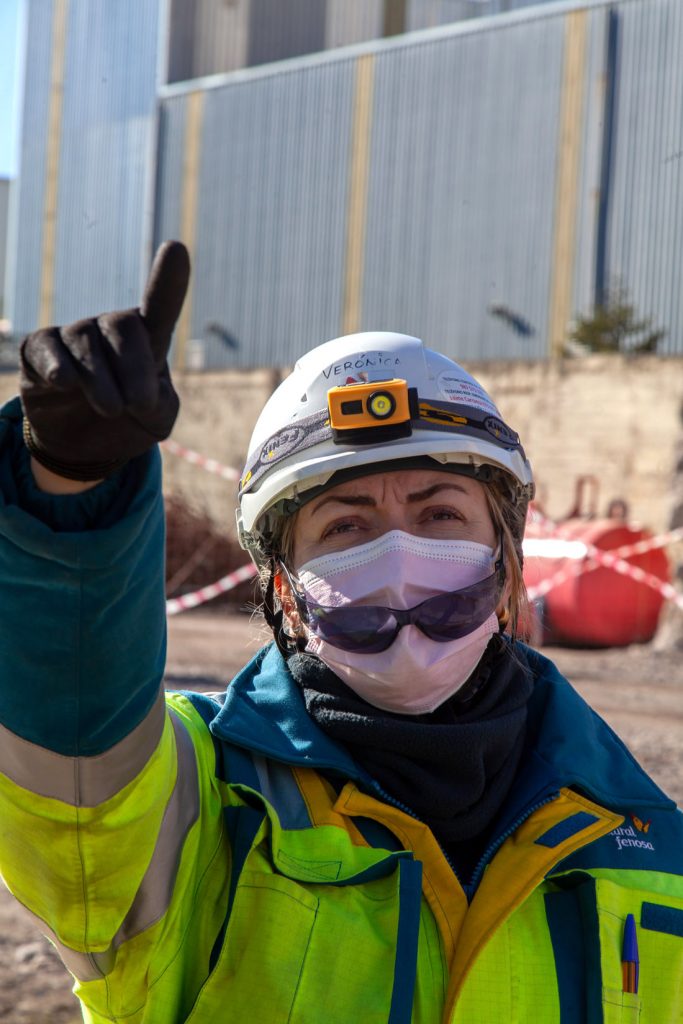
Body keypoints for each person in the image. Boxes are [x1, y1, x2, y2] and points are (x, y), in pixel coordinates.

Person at [0, 241, 681, 1024]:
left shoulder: (647, 842)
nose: (396, 559)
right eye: (346, 525)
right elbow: (72, 765)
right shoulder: (194, 811)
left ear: (507, 562)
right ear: (284, 591)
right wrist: (72, 497)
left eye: (439, 514)